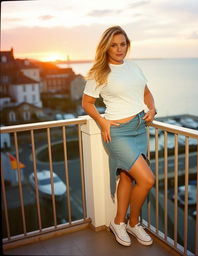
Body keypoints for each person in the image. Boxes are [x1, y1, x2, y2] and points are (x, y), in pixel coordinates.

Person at [82, 26, 157, 247]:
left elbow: (146, 93)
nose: (119, 49)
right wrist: (102, 120)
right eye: (114, 45)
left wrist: (152, 109)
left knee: (126, 177)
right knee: (147, 179)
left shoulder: (134, 68)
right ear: (106, 47)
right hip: (118, 133)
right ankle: (133, 223)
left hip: (139, 129)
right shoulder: (99, 72)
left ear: (127, 45)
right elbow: (87, 103)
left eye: (122, 44)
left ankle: (118, 222)